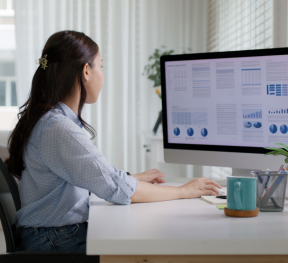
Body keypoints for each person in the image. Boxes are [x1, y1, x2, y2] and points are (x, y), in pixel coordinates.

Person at [5, 30, 222, 253]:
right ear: (86, 71)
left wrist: (129, 178)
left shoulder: (52, 120)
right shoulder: (59, 128)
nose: (103, 75)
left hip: (49, 235)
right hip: (54, 239)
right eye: (101, 65)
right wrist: (183, 191)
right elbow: (117, 189)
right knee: (151, 242)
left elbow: (92, 176)